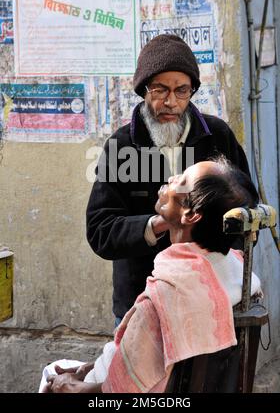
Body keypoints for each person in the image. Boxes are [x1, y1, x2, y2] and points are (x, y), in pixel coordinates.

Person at [42, 158, 261, 393]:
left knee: (51, 373)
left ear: (190, 215)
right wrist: (91, 367)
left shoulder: (163, 298)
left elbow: (120, 390)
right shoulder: (242, 275)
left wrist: (73, 387)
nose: (171, 179)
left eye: (182, 180)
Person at [86, 34, 252, 323]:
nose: (171, 102)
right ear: (144, 90)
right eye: (160, 90)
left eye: (181, 90)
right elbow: (101, 230)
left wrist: (219, 261)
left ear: (191, 91)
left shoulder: (218, 137)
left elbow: (245, 211)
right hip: (141, 302)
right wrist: (162, 222)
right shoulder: (121, 146)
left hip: (210, 298)